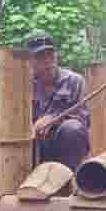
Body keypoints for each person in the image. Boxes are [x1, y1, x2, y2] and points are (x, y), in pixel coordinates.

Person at [26, 30, 91, 172]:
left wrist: (54, 119)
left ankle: (73, 179)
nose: (47, 60)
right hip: (34, 147)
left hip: (65, 147)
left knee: (72, 128)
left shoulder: (74, 81)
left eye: (50, 54)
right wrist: (31, 126)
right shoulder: (25, 85)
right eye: (40, 56)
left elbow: (83, 118)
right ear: (30, 61)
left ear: (56, 55)